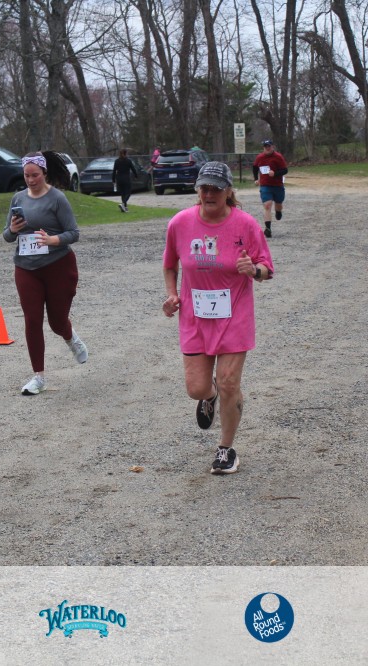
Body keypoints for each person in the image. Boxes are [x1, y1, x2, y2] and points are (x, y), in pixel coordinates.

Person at [161, 162, 274, 475]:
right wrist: (172, 295)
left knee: (229, 382)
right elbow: (170, 264)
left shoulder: (245, 224)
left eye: (216, 189)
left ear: (228, 191)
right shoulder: (180, 223)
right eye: (204, 188)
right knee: (196, 388)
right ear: (198, 190)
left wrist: (254, 270)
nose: (209, 194)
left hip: (234, 315)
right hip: (195, 317)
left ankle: (226, 449)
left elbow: (267, 268)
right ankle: (209, 396)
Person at [3, 151, 88, 396]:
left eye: (35, 175)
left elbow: (74, 233)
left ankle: (70, 337)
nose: (31, 180)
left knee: (57, 322)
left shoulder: (57, 198)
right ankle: (38, 377)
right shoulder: (18, 198)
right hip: (26, 268)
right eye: (26, 175)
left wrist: (53, 240)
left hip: (58, 266)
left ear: (44, 173)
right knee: (32, 320)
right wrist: (12, 229)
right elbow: (7, 236)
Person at [251, 139, 287, 238]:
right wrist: (256, 179)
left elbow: (285, 170)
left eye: (269, 146)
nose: (267, 148)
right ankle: (268, 229)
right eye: (265, 146)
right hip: (265, 185)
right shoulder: (260, 157)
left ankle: (278, 211)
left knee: (278, 204)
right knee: (267, 205)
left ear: (272, 147)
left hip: (278, 185)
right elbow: (255, 167)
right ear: (263, 148)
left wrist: (275, 173)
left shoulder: (278, 157)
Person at [112, 148, 138, 213]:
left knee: (123, 193)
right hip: (126, 178)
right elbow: (133, 169)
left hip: (119, 179)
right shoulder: (128, 161)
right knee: (128, 192)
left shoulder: (117, 161)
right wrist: (136, 176)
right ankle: (123, 203)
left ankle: (125, 208)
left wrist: (113, 179)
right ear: (125, 154)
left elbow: (114, 171)